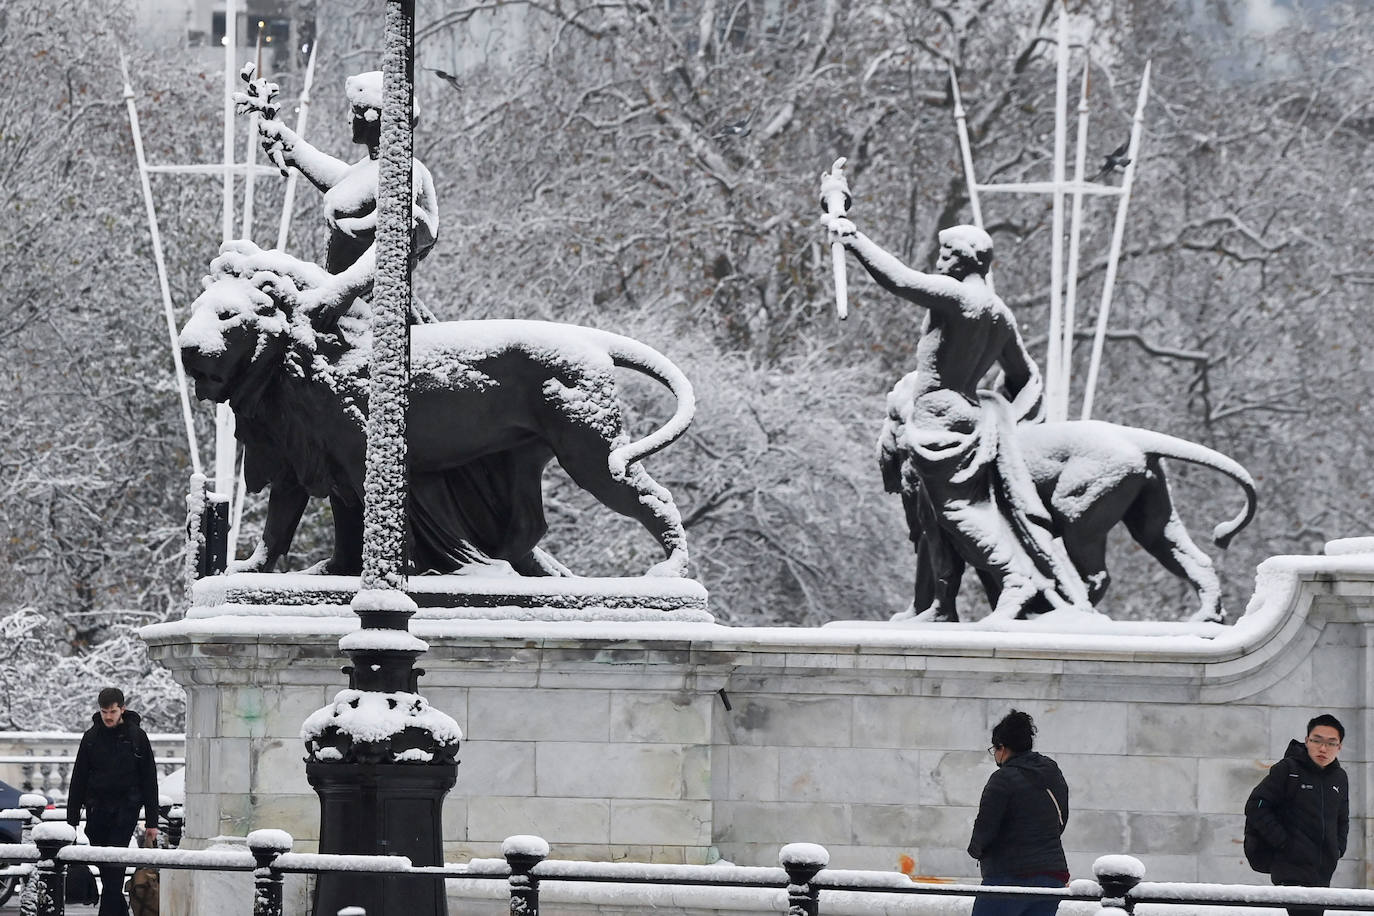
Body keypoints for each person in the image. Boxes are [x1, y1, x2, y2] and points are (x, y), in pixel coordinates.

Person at [824, 215, 1092, 619]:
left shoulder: (958, 296)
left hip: (937, 418)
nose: (940, 258)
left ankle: (1015, 577)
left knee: (954, 511)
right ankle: (941, 605)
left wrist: (854, 239)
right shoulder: (1001, 315)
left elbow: (898, 279)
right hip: (967, 414)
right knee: (935, 516)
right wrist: (1004, 417)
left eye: (947, 252)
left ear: (968, 258)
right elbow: (1021, 375)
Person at [251, 69, 439, 322]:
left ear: (372, 117)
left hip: (375, 316)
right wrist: (293, 148)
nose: (348, 118)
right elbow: (345, 188)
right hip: (344, 306)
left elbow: (399, 239)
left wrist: (341, 292)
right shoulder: (369, 169)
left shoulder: (401, 171)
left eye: (353, 111)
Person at [67, 687, 160, 916]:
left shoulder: (137, 737)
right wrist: (71, 820)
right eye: (104, 711)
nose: (108, 716)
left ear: (122, 709)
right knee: (108, 869)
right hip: (96, 811)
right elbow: (78, 777)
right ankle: (118, 910)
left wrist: (152, 822)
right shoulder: (91, 737)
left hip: (125, 811)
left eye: (112, 711)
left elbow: (149, 779)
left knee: (115, 866)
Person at [967, 709, 1069, 916]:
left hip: (1008, 876)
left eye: (994, 749)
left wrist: (975, 850)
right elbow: (1061, 820)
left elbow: (986, 825)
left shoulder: (1002, 779)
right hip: (1052, 876)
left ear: (1002, 748)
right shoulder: (1052, 771)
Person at [1245, 714, 1349, 916]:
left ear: (1339, 747)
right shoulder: (1288, 770)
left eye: (1331, 743)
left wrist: (1337, 848)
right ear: (1307, 740)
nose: (1323, 748)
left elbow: (1342, 818)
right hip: (1290, 871)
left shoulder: (1339, 777)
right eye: (1317, 740)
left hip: (1322, 871)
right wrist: (1284, 842)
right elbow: (1256, 805)